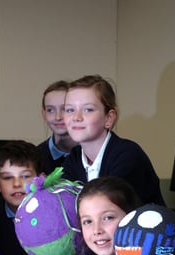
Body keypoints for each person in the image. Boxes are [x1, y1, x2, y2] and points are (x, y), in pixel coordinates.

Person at [60, 75, 165, 205]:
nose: (76, 117)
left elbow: (104, 207)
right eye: (70, 110)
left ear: (109, 118)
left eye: (88, 109)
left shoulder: (128, 155)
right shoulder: (74, 157)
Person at [37, 80, 78, 174]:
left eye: (65, 109)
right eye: (50, 110)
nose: (58, 117)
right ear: (44, 114)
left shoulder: (92, 153)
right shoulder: (36, 157)